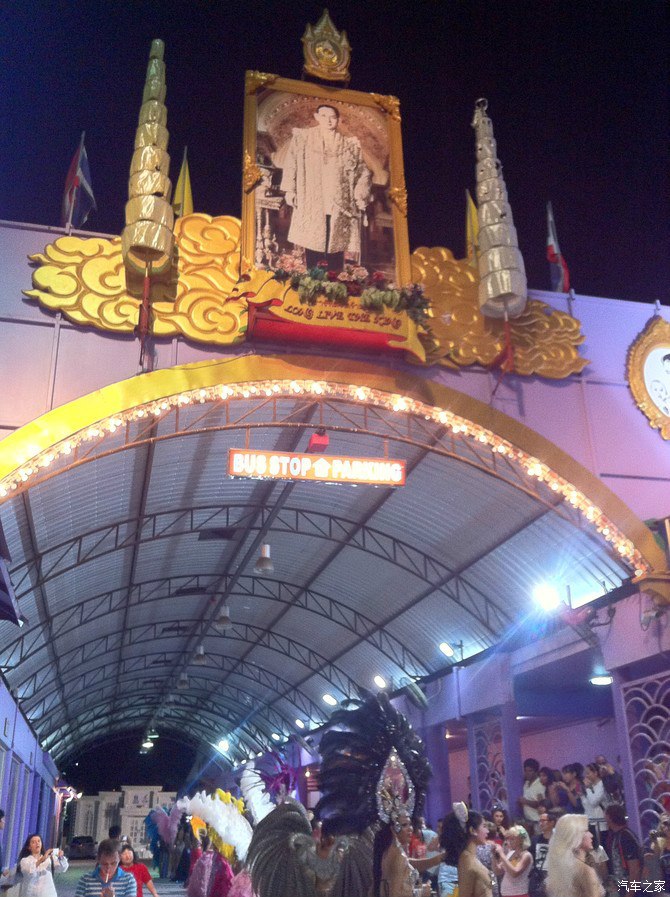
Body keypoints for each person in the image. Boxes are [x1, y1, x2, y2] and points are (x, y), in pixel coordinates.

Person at [280, 104, 372, 270]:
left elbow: (363, 171)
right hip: (312, 198)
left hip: (339, 201)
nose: (328, 120)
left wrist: (360, 195)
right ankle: (313, 278)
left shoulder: (349, 144)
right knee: (313, 240)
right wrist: (290, 190)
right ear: (316, 117)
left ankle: (334, 278)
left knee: (336, 243)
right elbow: (291, 163)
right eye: (324, 116)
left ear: (338, 120)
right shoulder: (303, 138)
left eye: (333, 117)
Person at [372, 809, 444, 897]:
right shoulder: (398, 855)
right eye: (404, 825)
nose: (410, 829)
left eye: (410, 824)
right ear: (393, 829)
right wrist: (420, 893)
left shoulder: (390, 852)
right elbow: (395, 894)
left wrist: (438, 859)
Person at [441, 803, 493, 897]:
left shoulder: (470, 857)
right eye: (484, 826)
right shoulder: (466, 860)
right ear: (472, 830)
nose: (487, 831)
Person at [545, 815, 603, 897]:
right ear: (575, 836)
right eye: (586, 831)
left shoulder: (559, 868)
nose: (591, 835)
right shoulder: (585, 871)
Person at [602, 804, 641, 888]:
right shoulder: (615, 836)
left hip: (630, 888)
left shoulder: (626, 837)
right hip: (621, 886)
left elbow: (634, 869)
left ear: (609, 817)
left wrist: (630, 892)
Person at [492, 826, 532, 897]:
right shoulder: (510, 853)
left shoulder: (526, 855)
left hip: (519, 894)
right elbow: (498, 871)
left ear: (521, 840)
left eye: (512, 839)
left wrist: (502, 854)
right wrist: (493, 855)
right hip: (506, 894)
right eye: (508, 839)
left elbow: (514, 873)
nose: (509, 842)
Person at [581, 765, 608, 844]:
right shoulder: (590, 786)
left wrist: (588, 789)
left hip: (601, 824)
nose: (586, 776)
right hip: (590, 823)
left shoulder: (602, 785)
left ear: (595, 773)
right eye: (585, 774)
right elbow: (586, 805)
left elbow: (594, 802)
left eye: (588, 773)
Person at [518, 760, 546, 836]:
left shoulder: (540, 784)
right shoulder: (526, 783)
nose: (527, 773)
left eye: (530, 771)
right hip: (527, 821)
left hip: (537, 821)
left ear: (536, 771)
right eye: (525, 770)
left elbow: (541, 804)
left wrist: (525, 801)